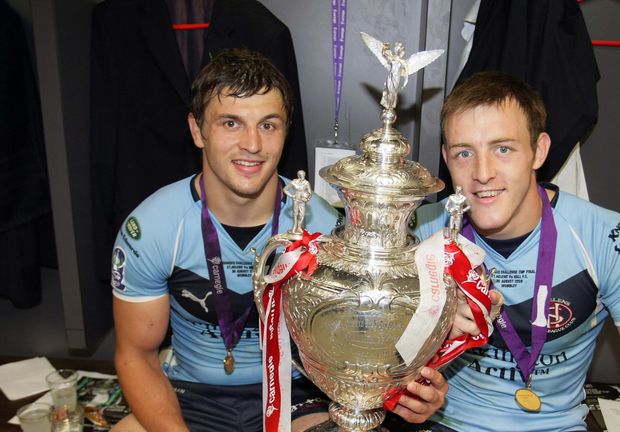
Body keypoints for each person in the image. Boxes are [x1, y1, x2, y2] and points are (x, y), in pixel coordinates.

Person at [110, 48, 447, 432]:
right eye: (231, 123)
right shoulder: (154, 226)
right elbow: (135, 355)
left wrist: (404, 386)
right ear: (197, 129)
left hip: (297, 394)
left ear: (286, 130)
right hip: (191, 396)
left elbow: (363, 336)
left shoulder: (323, 223)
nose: (252, 144)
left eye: (269, 125)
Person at [411, 71, 620, 431]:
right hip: (446, 423)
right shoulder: (422, 231)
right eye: (464, 153)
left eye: (503, 148)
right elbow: (370, 362)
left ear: (538, 150)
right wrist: (426, 327)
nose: (482, 173)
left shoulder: (602, 236)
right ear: (447, 158)